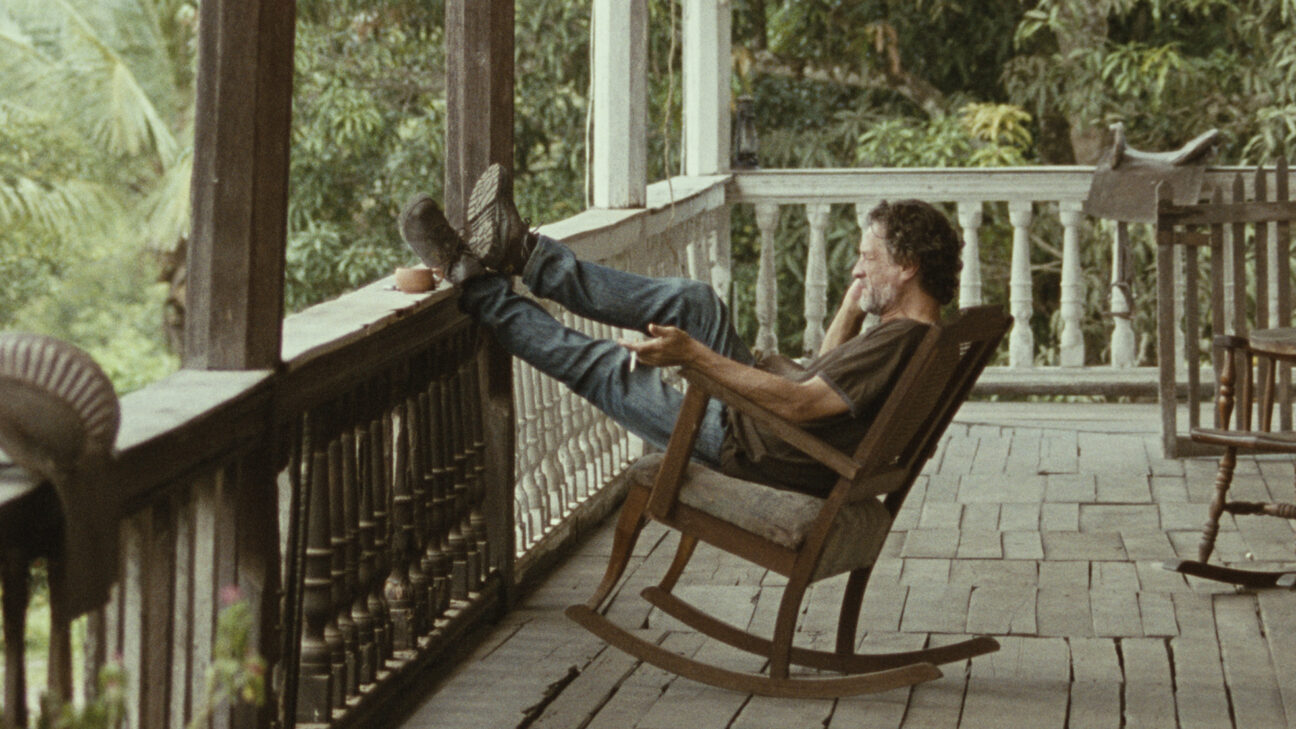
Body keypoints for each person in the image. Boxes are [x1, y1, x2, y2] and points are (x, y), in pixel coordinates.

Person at [400, 164, 962, 496]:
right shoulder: (919, 334)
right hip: (781, 434)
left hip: (754, 444)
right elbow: (822, 379)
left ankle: (473, 282)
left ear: (907, 267)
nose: (856, 269)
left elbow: (800, 404)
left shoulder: (901, 341)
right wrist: (852, 305)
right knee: (695, 301)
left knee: (610, 368)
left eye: (867, 258)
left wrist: (693, 357)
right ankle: (523, 251)